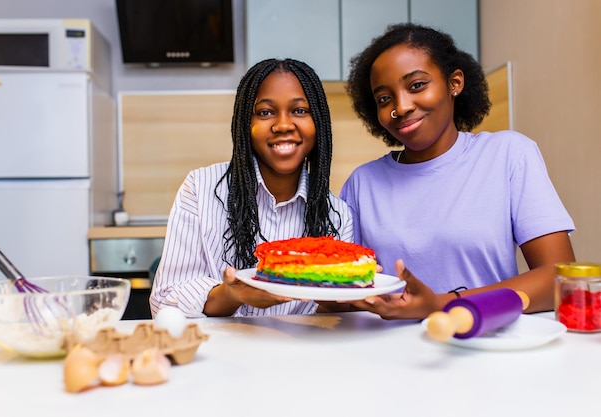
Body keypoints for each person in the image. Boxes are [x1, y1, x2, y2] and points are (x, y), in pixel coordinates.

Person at [340, 23, 576, 320]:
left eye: (416, 85)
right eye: (384, 99)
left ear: (455, 82)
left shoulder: (508, 155)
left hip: (487, 348)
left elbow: (559, 278)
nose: (401, 107)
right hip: (390, 354)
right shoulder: (363, 183)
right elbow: (343, 291)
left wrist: (440, 304)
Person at [150, 58, 353, 318]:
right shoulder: (199, 189)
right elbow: (164, 302)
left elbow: (332, 318)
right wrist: (231, 294)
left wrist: (341, 297)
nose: (283, 125)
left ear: (319, 123)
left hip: (302, 354)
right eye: (266, 112)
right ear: (245, 123)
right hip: (218, 353)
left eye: (300, 111)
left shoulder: (338, 215)